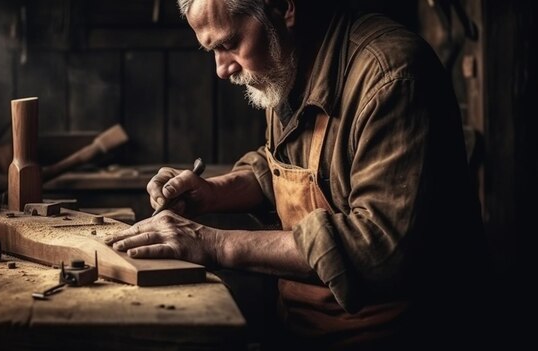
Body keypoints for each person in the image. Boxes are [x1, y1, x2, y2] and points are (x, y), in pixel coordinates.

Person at [106, 0, 493, 349]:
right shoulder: (287, 61)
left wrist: (214, 244)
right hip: (301, 327)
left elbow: (380, 248)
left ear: (283, 7)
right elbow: (283, 164)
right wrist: (212, 193)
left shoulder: (393, 76)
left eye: (228, 44)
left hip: (398, 335)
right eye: (213, 50)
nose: (222, 69)